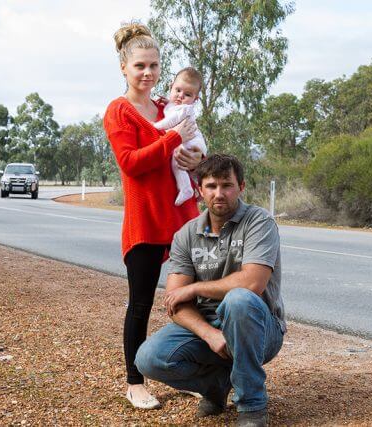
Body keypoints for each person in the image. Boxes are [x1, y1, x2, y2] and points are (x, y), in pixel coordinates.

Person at [134, 154, 286, 427]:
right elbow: (175, 300)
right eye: (212, 186)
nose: (219, 193)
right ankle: (216, 386)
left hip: (260, 328)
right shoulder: (186, 234)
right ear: (199, 189)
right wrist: (210, 334)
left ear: (241, 186)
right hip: (209, 328)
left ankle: (252, 405)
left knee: (238, 300)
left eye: (226, 185)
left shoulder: (259, 222)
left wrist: (195, 288)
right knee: (148, 358)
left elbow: (253, 283)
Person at [103, 22, 203, 410]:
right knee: (141, 302)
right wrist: (175, 138)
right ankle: (135, 382)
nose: (148, 73)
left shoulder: (168, 106)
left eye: (155, 66)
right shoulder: (119, 111)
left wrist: (197, 157)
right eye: (140, 65)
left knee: (191, 300)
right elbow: (131, 164)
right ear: (124, 69)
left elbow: (192, 153)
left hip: (182, 218)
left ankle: (188, 374)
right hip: (145, 221)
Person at [154, 67, 208, 206]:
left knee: (177, 159)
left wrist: (154, 126)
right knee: (179, 160)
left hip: (193, 142)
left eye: (187, 94)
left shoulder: (184, 108)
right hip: (193, 142)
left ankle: (186, 189)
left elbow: (170, 121)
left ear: (195, 99)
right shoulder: (173, 106)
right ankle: (193, 188)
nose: (180, 96)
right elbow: (172, 109)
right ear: (171, 87)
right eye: (178, 90)